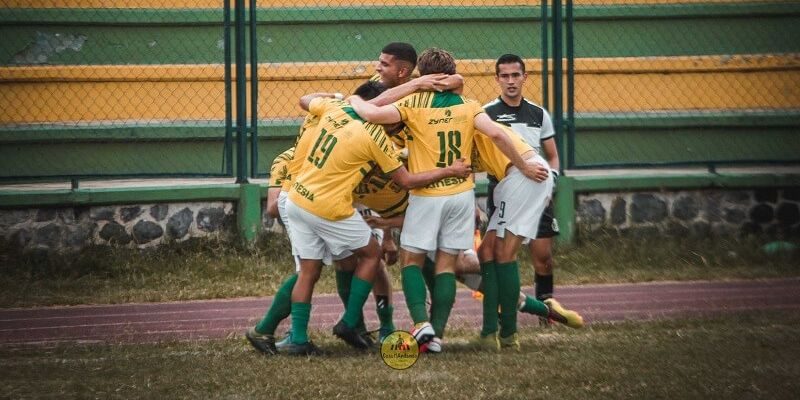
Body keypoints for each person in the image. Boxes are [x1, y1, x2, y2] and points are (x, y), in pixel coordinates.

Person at [349, 48, 545, 353]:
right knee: (446, 264)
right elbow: (495, 132)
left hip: (429, 194)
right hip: (462, 194)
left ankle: (421, 324)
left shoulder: (413, 103)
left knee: (410, 260)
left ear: (421, 76)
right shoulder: (469, 106)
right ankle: (437, 336)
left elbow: (372, 113)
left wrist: (353, 101)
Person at [282, 80, 472, 355]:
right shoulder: (376, 137)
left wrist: (338, 94)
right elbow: (405, 181)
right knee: (372, 256)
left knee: (309, 271)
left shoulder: (335, 107)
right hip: (328, 206)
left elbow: (304, 98)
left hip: (298, 199)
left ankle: (298, 338)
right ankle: (348, 323)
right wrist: (449, 171)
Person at [472, 122, 584, 350]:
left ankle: (508, 336)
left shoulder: (466, 113)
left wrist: (523, 167)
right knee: (486, 252)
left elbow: (497, 135)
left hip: (523, 174)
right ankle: (490, 332)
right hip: (514, 178)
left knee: (504, 254)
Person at [484, 53, 563, 324]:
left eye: (515, 75)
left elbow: (552, 156)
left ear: (524, 77)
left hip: (538, 192)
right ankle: (503, 316)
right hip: (504, 192)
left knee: (544, 258)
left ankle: (546, 314)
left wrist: (552, 178)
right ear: (497, 79)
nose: (510, 81)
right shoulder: (486, 114)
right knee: (501, 256)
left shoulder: (539, 114)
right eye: (504, 76)